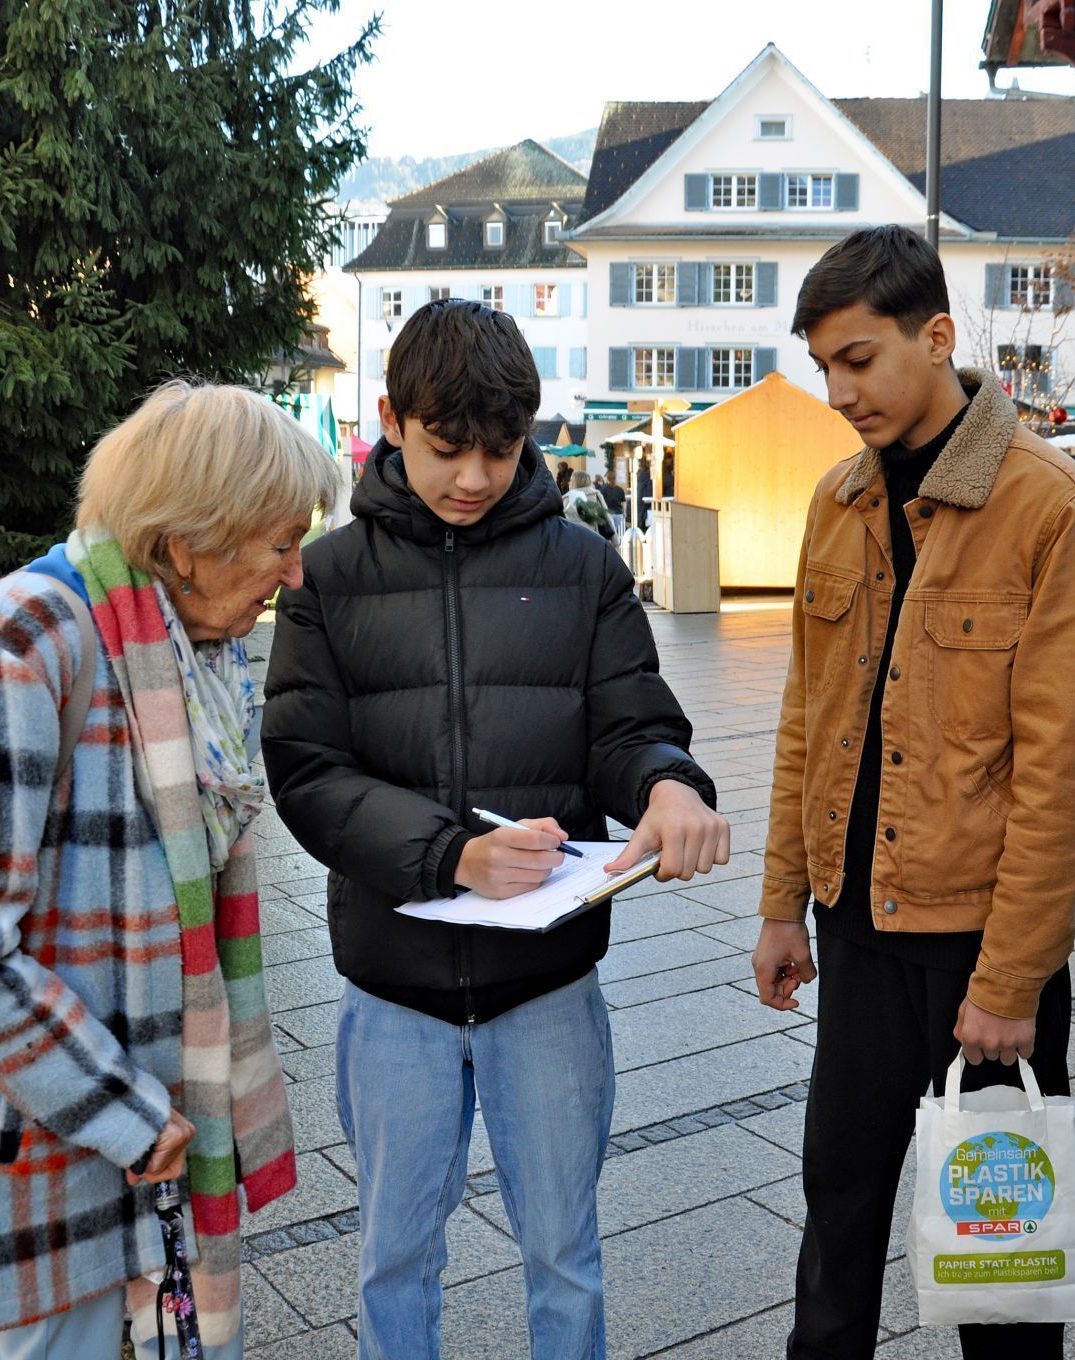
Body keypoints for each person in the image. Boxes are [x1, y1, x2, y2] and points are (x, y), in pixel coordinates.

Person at [262, 298, 733, 1360]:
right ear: (390, 418)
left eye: (499, 448)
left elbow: (632, 725)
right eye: (445, 448)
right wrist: (450, 857)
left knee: (564, 1252)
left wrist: (665, 783)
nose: (472, 476)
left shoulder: (581, 565)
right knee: (394, 1256)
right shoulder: (326, 578)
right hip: (393, 990)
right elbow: (305, 767)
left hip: (548, 987)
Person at [0, 382, 326, 1357]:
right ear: (186, 543)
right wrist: (123, 1113)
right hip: (47, 1146)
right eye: (280, 540)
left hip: (145, 1136)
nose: (294, 573)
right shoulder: (25, 639)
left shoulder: (194, 653)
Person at [750, 225, 1075, 1359]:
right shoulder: (837, 500)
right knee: (837, 1224)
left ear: (938, 336)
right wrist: (780, 903)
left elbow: (1066, 766)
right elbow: (805, 717)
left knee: (995, 1263)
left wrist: (1009, 980)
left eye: (858, 359)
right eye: (822, 365)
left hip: (979, 946)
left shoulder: (1049, 504)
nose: (837, 389)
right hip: (854, 927)